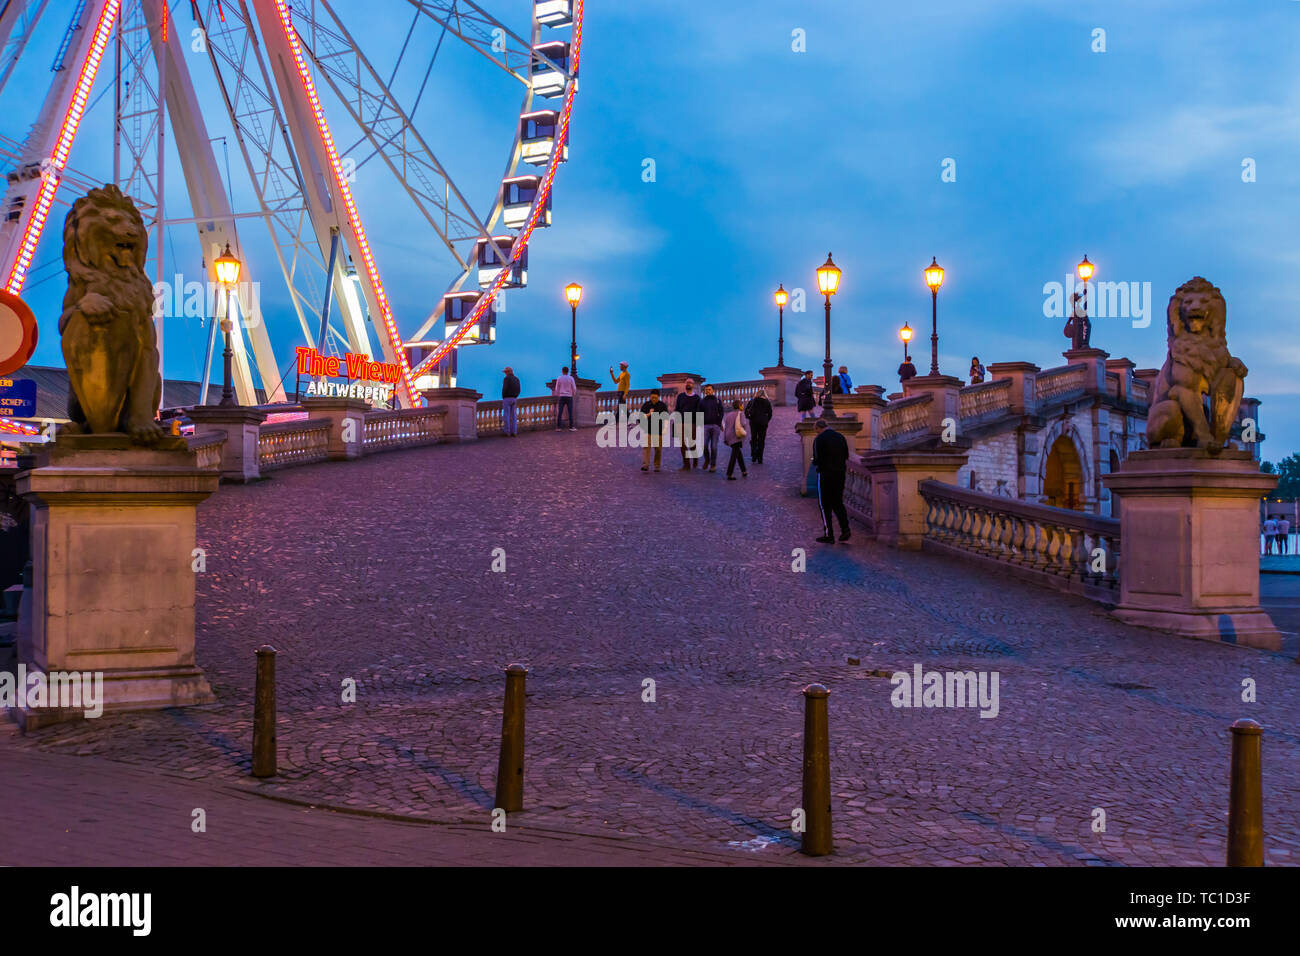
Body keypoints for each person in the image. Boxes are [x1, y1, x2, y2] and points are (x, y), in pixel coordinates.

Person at [811, 419, 850, 543]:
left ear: (818, 428)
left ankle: (829, 534)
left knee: (825, 504)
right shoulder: (840, 437)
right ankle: (845, 529)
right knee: (838, 503)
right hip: (840, 473)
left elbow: (817, 459)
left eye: (816, 430)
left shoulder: (819, 439)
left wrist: (815, 462)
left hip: (826, 474)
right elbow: (846, 455)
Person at [675, 379, 702, 469]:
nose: (688, 384)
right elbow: (677, 409)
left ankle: (695, 459)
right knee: (683, 445)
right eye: (687, 383)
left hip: (693, 423)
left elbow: (699, 412)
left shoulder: (697, 398)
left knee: (692, 444)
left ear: (693, 385)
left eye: (690, 383)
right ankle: (686, 464)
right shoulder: (680, 397)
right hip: (682, 423)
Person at [639, 391, 668, 472]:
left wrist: (665, 428)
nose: (654, 399)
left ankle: (657, 465)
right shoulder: (646, 405)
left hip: (658, 430)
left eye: (655, 397)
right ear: (650, 397)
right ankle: (645, 465)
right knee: (646, 447)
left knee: (658, 449)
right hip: (647, 429)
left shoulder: (662, 406)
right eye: (652, 397)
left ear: (658, 397)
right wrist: (649, 414)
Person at [699, 383, 725, 471]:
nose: (708, 391)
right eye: (706, 390)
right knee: (704, 445)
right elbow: (699, 413)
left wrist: (719, 422)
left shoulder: (717, 400)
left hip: (715, 426)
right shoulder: (702, 401)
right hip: (705, 426)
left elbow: (721, 412)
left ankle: (713, 465)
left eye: (709, 389)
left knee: (714, 446)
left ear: (713, 390)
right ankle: (707, 459)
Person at [722, 399, 749, 480]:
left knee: (738, 453)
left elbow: (726, 427)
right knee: (734, 456)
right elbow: (743, 423)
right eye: (742, 405)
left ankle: (744, 470)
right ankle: (729, 473)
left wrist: (725, 438)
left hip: (729, 436)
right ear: (740, 406)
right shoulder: (741, 414)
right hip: (736, 436)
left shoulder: (729, 414)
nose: (743, 406)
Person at [744, 390, 773, 464]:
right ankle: (760, 458)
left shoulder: (752, 401)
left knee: (754, 438)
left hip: (753, 422)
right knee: (761, 440)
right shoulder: (767, 402)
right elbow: (770, 413)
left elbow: (746, 411)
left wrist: (750, 418)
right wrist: (766, 420)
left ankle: (754, 455)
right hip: (763, 423)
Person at [553, 366, 577, 431]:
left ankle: (558, 427)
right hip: (569, 396)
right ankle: (571, 427)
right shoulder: (571, 378)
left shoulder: (559, 378)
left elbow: (556, 388)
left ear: (562, 371)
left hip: (562, 396)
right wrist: (573, 394)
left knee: (560, 412)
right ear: (568, 371)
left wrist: (558, 394)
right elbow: (574, 388)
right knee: (570, 412)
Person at [501, 366, 521, 437]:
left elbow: (504, 388)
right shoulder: (517, 379)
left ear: (508, 372)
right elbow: (519, 390)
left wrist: (503, 397)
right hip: (514, 398)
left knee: (506, 415)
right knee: (514, 416)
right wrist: (516, 396)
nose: (505, 373)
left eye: (505, 372)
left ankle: (507, 432)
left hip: (507, 398)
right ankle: (514, 432)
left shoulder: (506, 379)